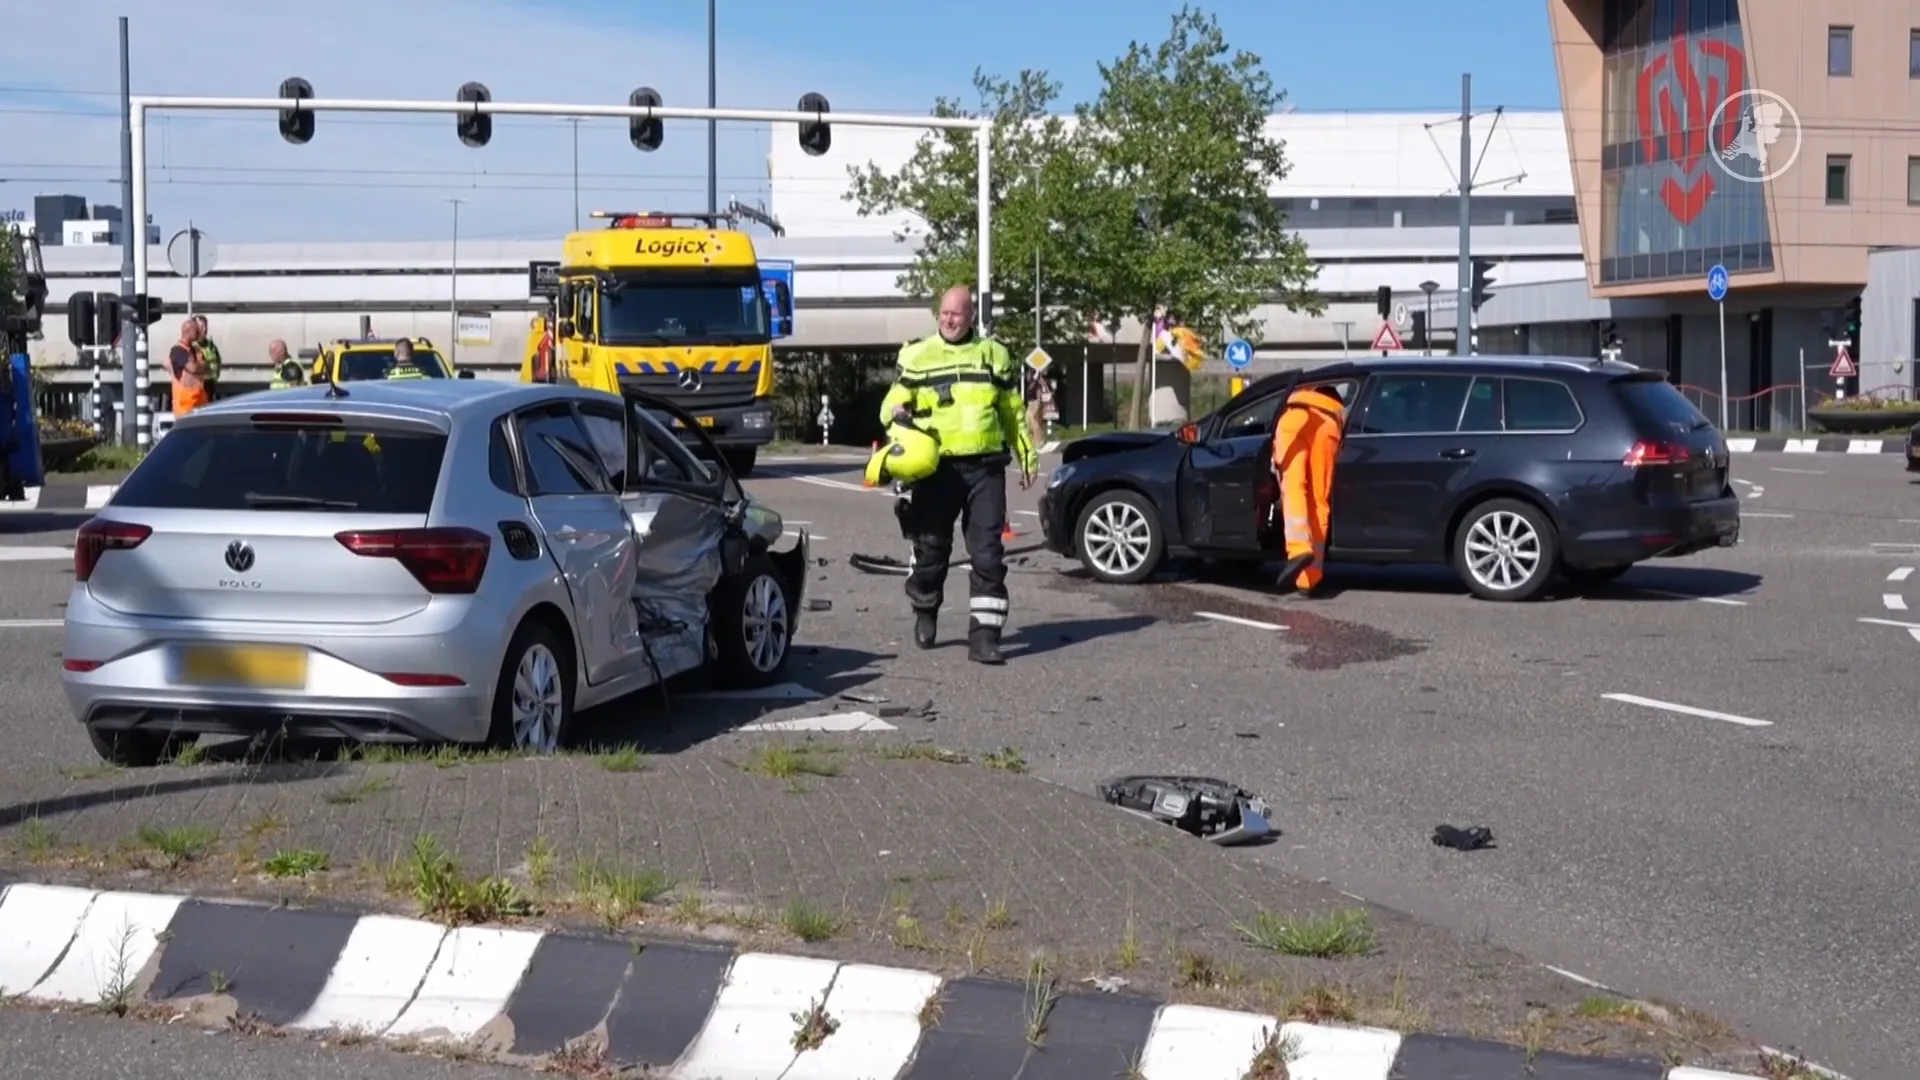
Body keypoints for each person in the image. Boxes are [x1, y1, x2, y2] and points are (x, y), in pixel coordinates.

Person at [878, 285, 1039, 665]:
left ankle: (984, 637)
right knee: (931, 550)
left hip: (986, 469)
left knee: (987, 555)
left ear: (971, 317)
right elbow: (891, 403)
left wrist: (1027, 456)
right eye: (944, 314)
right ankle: (925, 605)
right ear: (938, 315)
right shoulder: (917, 356)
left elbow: (1011, 411)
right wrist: (896, 411)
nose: (950, 320)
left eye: (958, 314)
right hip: (937, 469)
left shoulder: (993, 356)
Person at [1271, 382, 1347, 596]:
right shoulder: (1336, 402)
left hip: (1296, 417)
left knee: (1293, 484)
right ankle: (1309, 577)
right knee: (1319, 499)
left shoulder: (1305, 387)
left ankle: (1298, 548)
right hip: (1330, 422)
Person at [167, 318, 210, 419]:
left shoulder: (195, 350)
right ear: (188, 332)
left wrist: (200, 364)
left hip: (199, 404)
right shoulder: (177, 351)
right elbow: (193, 368)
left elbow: (207, 366)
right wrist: (200, 365)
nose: (198, 333)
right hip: (185, 407)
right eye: (196, 331)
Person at [192, 315, 222, 399]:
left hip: (210, 384)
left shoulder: (210, 345)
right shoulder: (192, 345)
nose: (204, 329)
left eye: (205, 326)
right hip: (198, 386)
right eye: (201, 327)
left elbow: (217, 360)